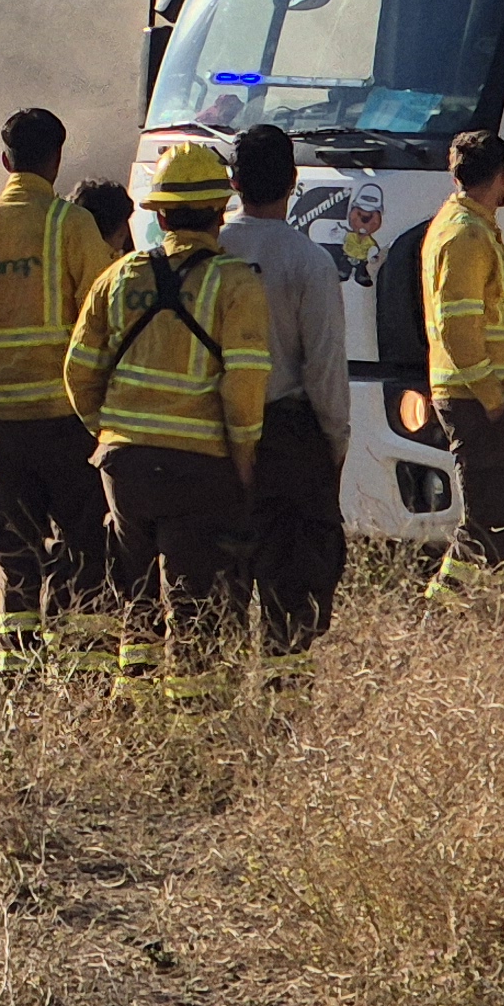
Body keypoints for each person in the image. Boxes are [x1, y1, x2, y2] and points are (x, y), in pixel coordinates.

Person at [61, 140, 269, 686]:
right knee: (196, 608)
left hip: (123, 468)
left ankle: (135, 705)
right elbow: (244, 389)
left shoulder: (118, 277)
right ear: (222, 211)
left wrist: (107, 435)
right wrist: (245, 462)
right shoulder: (237, 283)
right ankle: (190, 725)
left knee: (139, 597)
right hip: (199, 470)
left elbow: (79, 372)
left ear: (156, 212)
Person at [0, 110, 121, 679]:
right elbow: (104, 319)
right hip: (68, 426)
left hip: (1, 431)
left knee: (16, 560)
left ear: (5, 161)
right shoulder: (72, 227)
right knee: (85, 548)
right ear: (57, 161)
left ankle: (19, 680)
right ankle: (83, 674)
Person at [218, 125, 347, 647]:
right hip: (289, 442)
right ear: (294, 181)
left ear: (232, 181)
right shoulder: (310, 263)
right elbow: (324, 369)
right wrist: (334, 446)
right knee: (293, 594)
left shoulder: (207, 251)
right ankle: (285, 701)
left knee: (220, 591)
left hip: (214, 438)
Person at [419, 131, 504, 588]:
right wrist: (492, 398)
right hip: (476, 397)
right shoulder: (465, 234)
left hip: (483, 394)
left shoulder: (471, 226)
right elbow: (458, 329)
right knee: (488, 519)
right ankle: (443, 614)